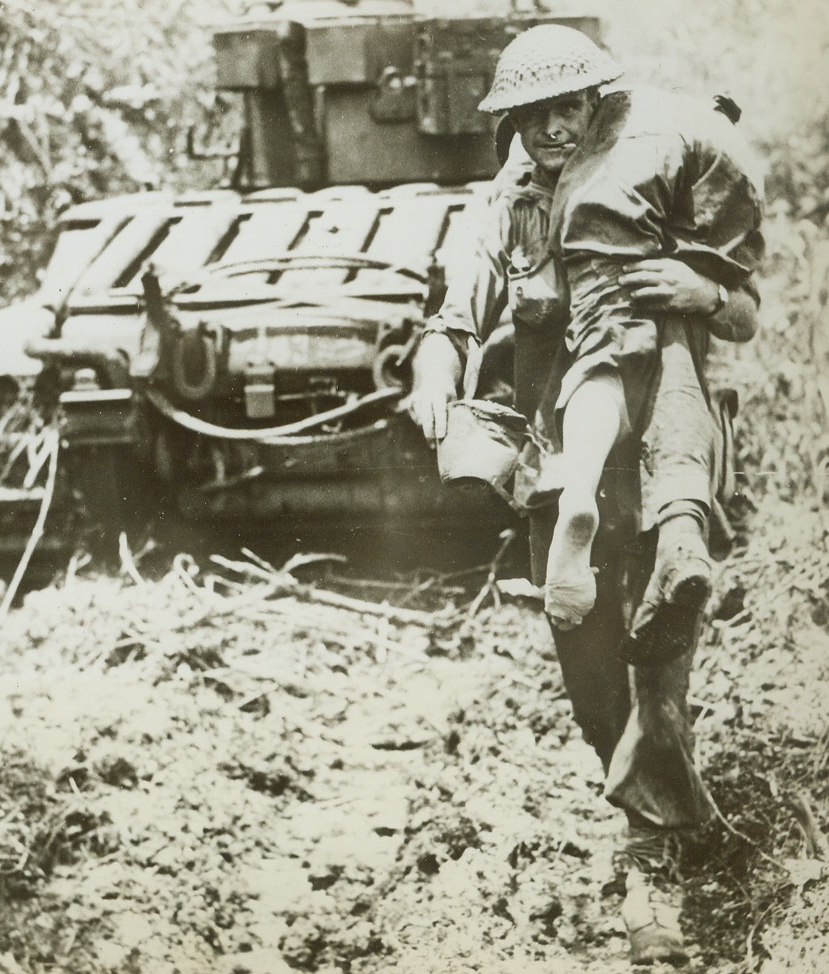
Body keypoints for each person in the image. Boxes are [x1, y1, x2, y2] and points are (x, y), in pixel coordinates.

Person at [406, 24, 763, 967]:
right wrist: (441, 345)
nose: (553, 130)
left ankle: (652, 875)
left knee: (660, 641)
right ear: (511, 124)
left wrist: (695, 286)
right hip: (556, 454)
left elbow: (745, 313)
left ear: (597, 106)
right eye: (534, 115)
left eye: (569, 109)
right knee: (590, 669)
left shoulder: (650, 175)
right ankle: (663, 799)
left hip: (660, 445)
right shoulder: (505, 200)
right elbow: (468, 279)